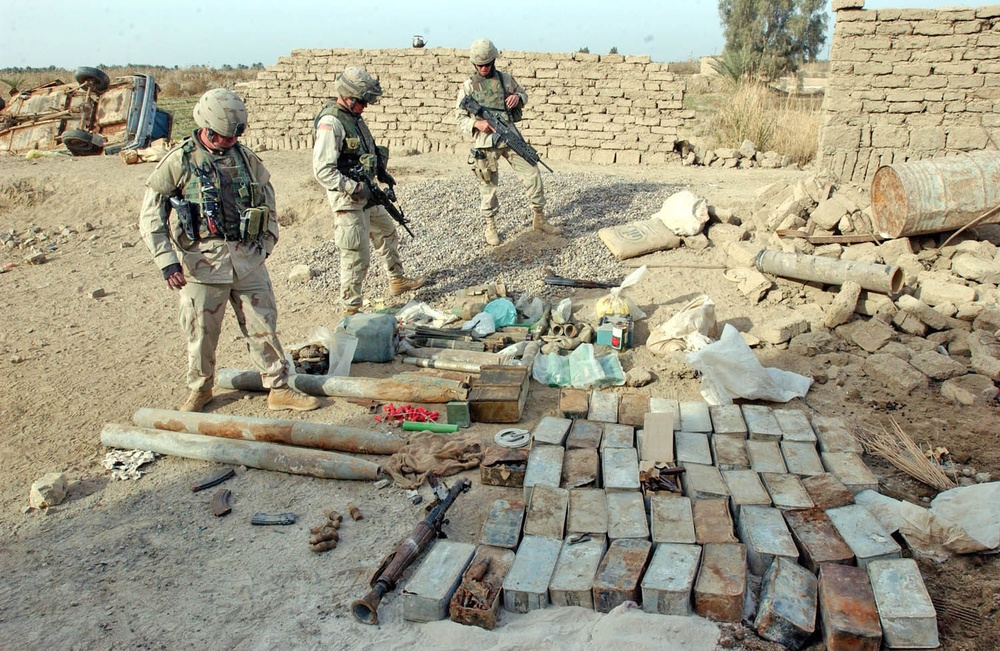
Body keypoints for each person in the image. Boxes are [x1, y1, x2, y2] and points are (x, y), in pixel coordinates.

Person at [138, 88, 320, 413]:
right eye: (220, 136)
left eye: (232, 136)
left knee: (263, 325)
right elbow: (151, 216)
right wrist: (168, 263)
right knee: (201, 333)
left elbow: (268, 201)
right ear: (205, 128)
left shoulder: (246, 158)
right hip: (203, 264)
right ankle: (201, 389)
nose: (227, 142)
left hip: (248, 261)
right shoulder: (179, 160)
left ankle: (279, 388)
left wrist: (266, 244)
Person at [313, 66, 426, 316]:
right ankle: (350, 310)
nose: (365, 107)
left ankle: (397, 279)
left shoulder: (354, 118)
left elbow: (365, 152)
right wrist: (354, 187)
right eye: (362, 101)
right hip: (348, 198)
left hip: (367, 191)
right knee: (356, 254)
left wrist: (381, 172)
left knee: (387, 232)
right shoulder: (331, 123)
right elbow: (323, 171)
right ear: (348, 96)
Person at [455, 38, 562, 246]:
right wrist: (477, 125)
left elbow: (523, 94)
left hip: (509, 135)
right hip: (486, 140)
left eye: (487, 63)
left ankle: (539, 218)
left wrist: (518, 98)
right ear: (474, 64)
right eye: (480, 65)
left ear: (494, 61)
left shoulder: (505, 80)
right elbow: (459, 117)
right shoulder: (468, 86)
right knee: (488, 184)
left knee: (532, 172)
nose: (484, 68)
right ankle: (490, 225)